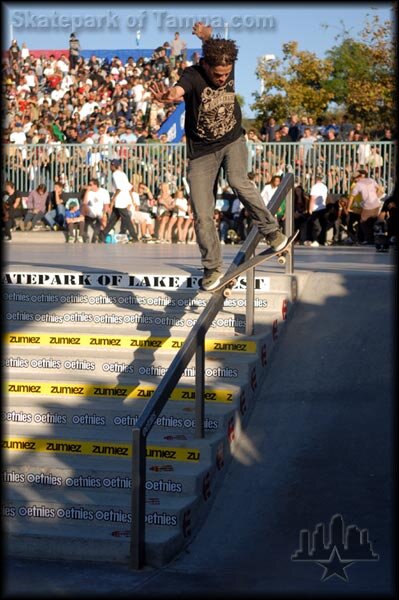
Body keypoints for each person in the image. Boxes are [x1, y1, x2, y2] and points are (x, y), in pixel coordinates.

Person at [150, 21, 287, 290]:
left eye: (226, 74)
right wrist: (170, 95)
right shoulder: (193, 75)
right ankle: (212, 267)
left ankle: (271, 231)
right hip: (201, 154)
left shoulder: (225, 60)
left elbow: (215, 46)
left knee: (238, 181)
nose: (223, 78)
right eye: (218, 74)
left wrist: (207, 35)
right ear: (206, 66)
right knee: (202, 214)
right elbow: (178, 91)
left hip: (233, 140)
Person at [99, 159, 139, 243]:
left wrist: (113, 200)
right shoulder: (123, 174)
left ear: (114, 166)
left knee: (127, 219)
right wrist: (131, 199)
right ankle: (102, 235)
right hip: (124, 198)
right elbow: (129, 187)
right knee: (114, 219)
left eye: (111, 165)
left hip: (120, 200)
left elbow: (119, 188)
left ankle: (134, 237)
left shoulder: (115, 174)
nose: (110, 166)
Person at [347, 169, 382, 244]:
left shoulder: (358, 184)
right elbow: (380, 189)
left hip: (368, 206)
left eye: (354, 178)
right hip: (376, 204)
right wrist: (376, 196)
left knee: (363, 222)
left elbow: (351, 197)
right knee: (372, 222)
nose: (354, 180)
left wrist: (348, 208)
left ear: (357, 178)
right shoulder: (371, 180)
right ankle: (374, 239)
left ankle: (369, 240)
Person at [81, 178, 110, 243]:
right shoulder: (88, 192)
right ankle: (86, 235)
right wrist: (87, 191)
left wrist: (104, 214)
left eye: (90, 185)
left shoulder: (104, 192)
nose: (89, 186)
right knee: (84, 207)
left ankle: (102, 237)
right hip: (89, 214)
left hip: (100, 214)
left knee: (103, 219)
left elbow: (106, 205)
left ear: (95, 185)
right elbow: (84, 203)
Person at [305, 175, 328, 246]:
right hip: (323, 208)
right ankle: (322, 241)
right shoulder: (325, 187)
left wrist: (310, 209)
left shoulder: (314, 187)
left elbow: (312, 198)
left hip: (315, 209)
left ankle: (316, 240)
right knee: (322, 225)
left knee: (316, 226)